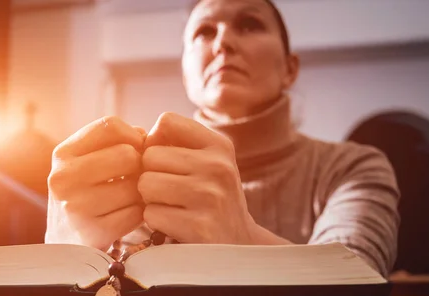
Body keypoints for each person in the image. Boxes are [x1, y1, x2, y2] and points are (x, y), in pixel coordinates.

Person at [46, 0, 400, 276]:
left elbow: (359, 273)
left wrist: (242, 238)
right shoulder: (135, 173)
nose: (224, 42)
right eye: (204, 32)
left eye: (249, 24)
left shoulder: (353, 167)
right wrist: (65, 257)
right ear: (186, 76)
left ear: (290, 69)